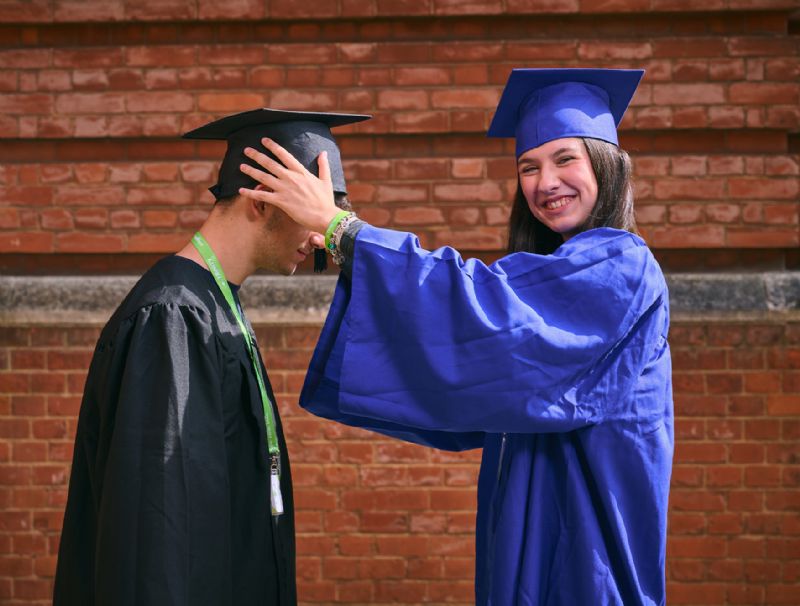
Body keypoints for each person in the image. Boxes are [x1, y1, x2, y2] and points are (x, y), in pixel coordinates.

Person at [237, 69, 673, 605]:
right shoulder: (552, 270)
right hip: (524, 542)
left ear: (606, 164)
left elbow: (483, 313)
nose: (545, 182)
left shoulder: (622, 266)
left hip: (587, 555)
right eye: (529, 167)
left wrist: (342, 230)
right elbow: (483, 351)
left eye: (565, 159)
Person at [53, 108, 369, 606]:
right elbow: (155, 531)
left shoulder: (217, 303)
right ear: (259, 203)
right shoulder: (172, 319)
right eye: (309, 212)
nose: (318, 239)